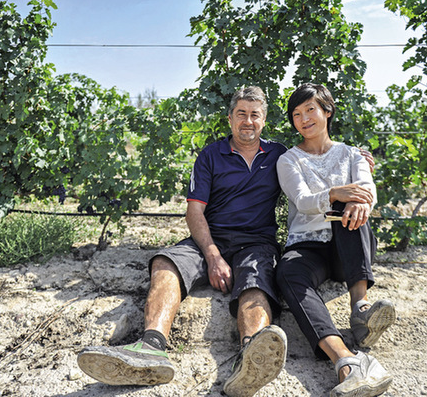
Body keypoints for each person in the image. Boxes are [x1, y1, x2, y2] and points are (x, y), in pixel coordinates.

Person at [77, 86, 288, 397]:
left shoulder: (279, 155)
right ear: (230, 118)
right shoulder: (210, 156)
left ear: (264, 121)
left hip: (257, 242)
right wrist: (213, 255)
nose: (247, 121)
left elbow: (314, 166)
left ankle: (250, 360)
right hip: (209, 237)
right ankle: (151, 348)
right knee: (165, 262)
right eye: (241, 113)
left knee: (256, 280)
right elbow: (194, 211)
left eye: (254, 115)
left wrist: (357, 162)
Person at [275, 83, 396, 397]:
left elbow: (368, 191)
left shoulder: (352, 154)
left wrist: (356, 201)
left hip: (349, 246)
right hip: (307, 246)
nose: (303, 118)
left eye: (310, 110)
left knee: (352, 205)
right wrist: (334, 193)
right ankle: (344, 358)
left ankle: (360, 308)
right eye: (296, 114)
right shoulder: (289, 160)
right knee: (287, 272)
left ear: (327, 111)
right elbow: (302, 201)